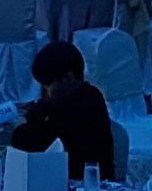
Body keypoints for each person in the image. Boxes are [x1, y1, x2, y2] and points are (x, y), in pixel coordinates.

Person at [10, 41, 117, 181]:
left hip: (87, 185)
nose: (45, 93)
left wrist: (20, 128)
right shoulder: (77, 97)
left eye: (48, 86)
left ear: (68, 78)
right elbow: (41, 110)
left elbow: (34, 144)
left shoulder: (83, 106)